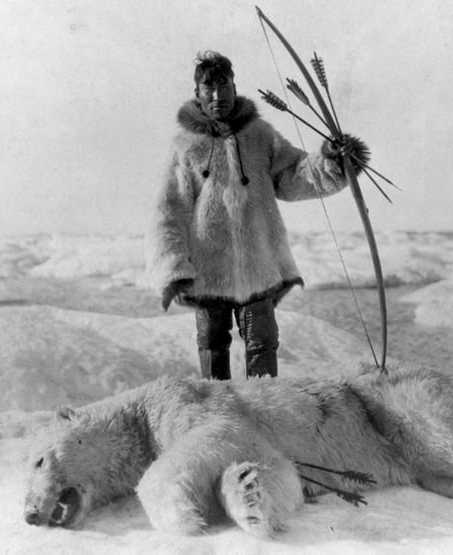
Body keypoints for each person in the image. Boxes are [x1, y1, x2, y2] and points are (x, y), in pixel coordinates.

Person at [145, 51, 368, 380]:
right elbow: (169, 210)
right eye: (209, 88)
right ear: (198, 93)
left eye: (225, 86)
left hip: (258, 266)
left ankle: (266, 416)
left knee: (263, 344)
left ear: (235, 87)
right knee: (211, 345)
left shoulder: (261, 136)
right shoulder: (185, 146)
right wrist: (174, 268)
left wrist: (332, 160)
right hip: (208, 271)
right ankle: (217, 417)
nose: (218, 95)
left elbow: (293, 176)